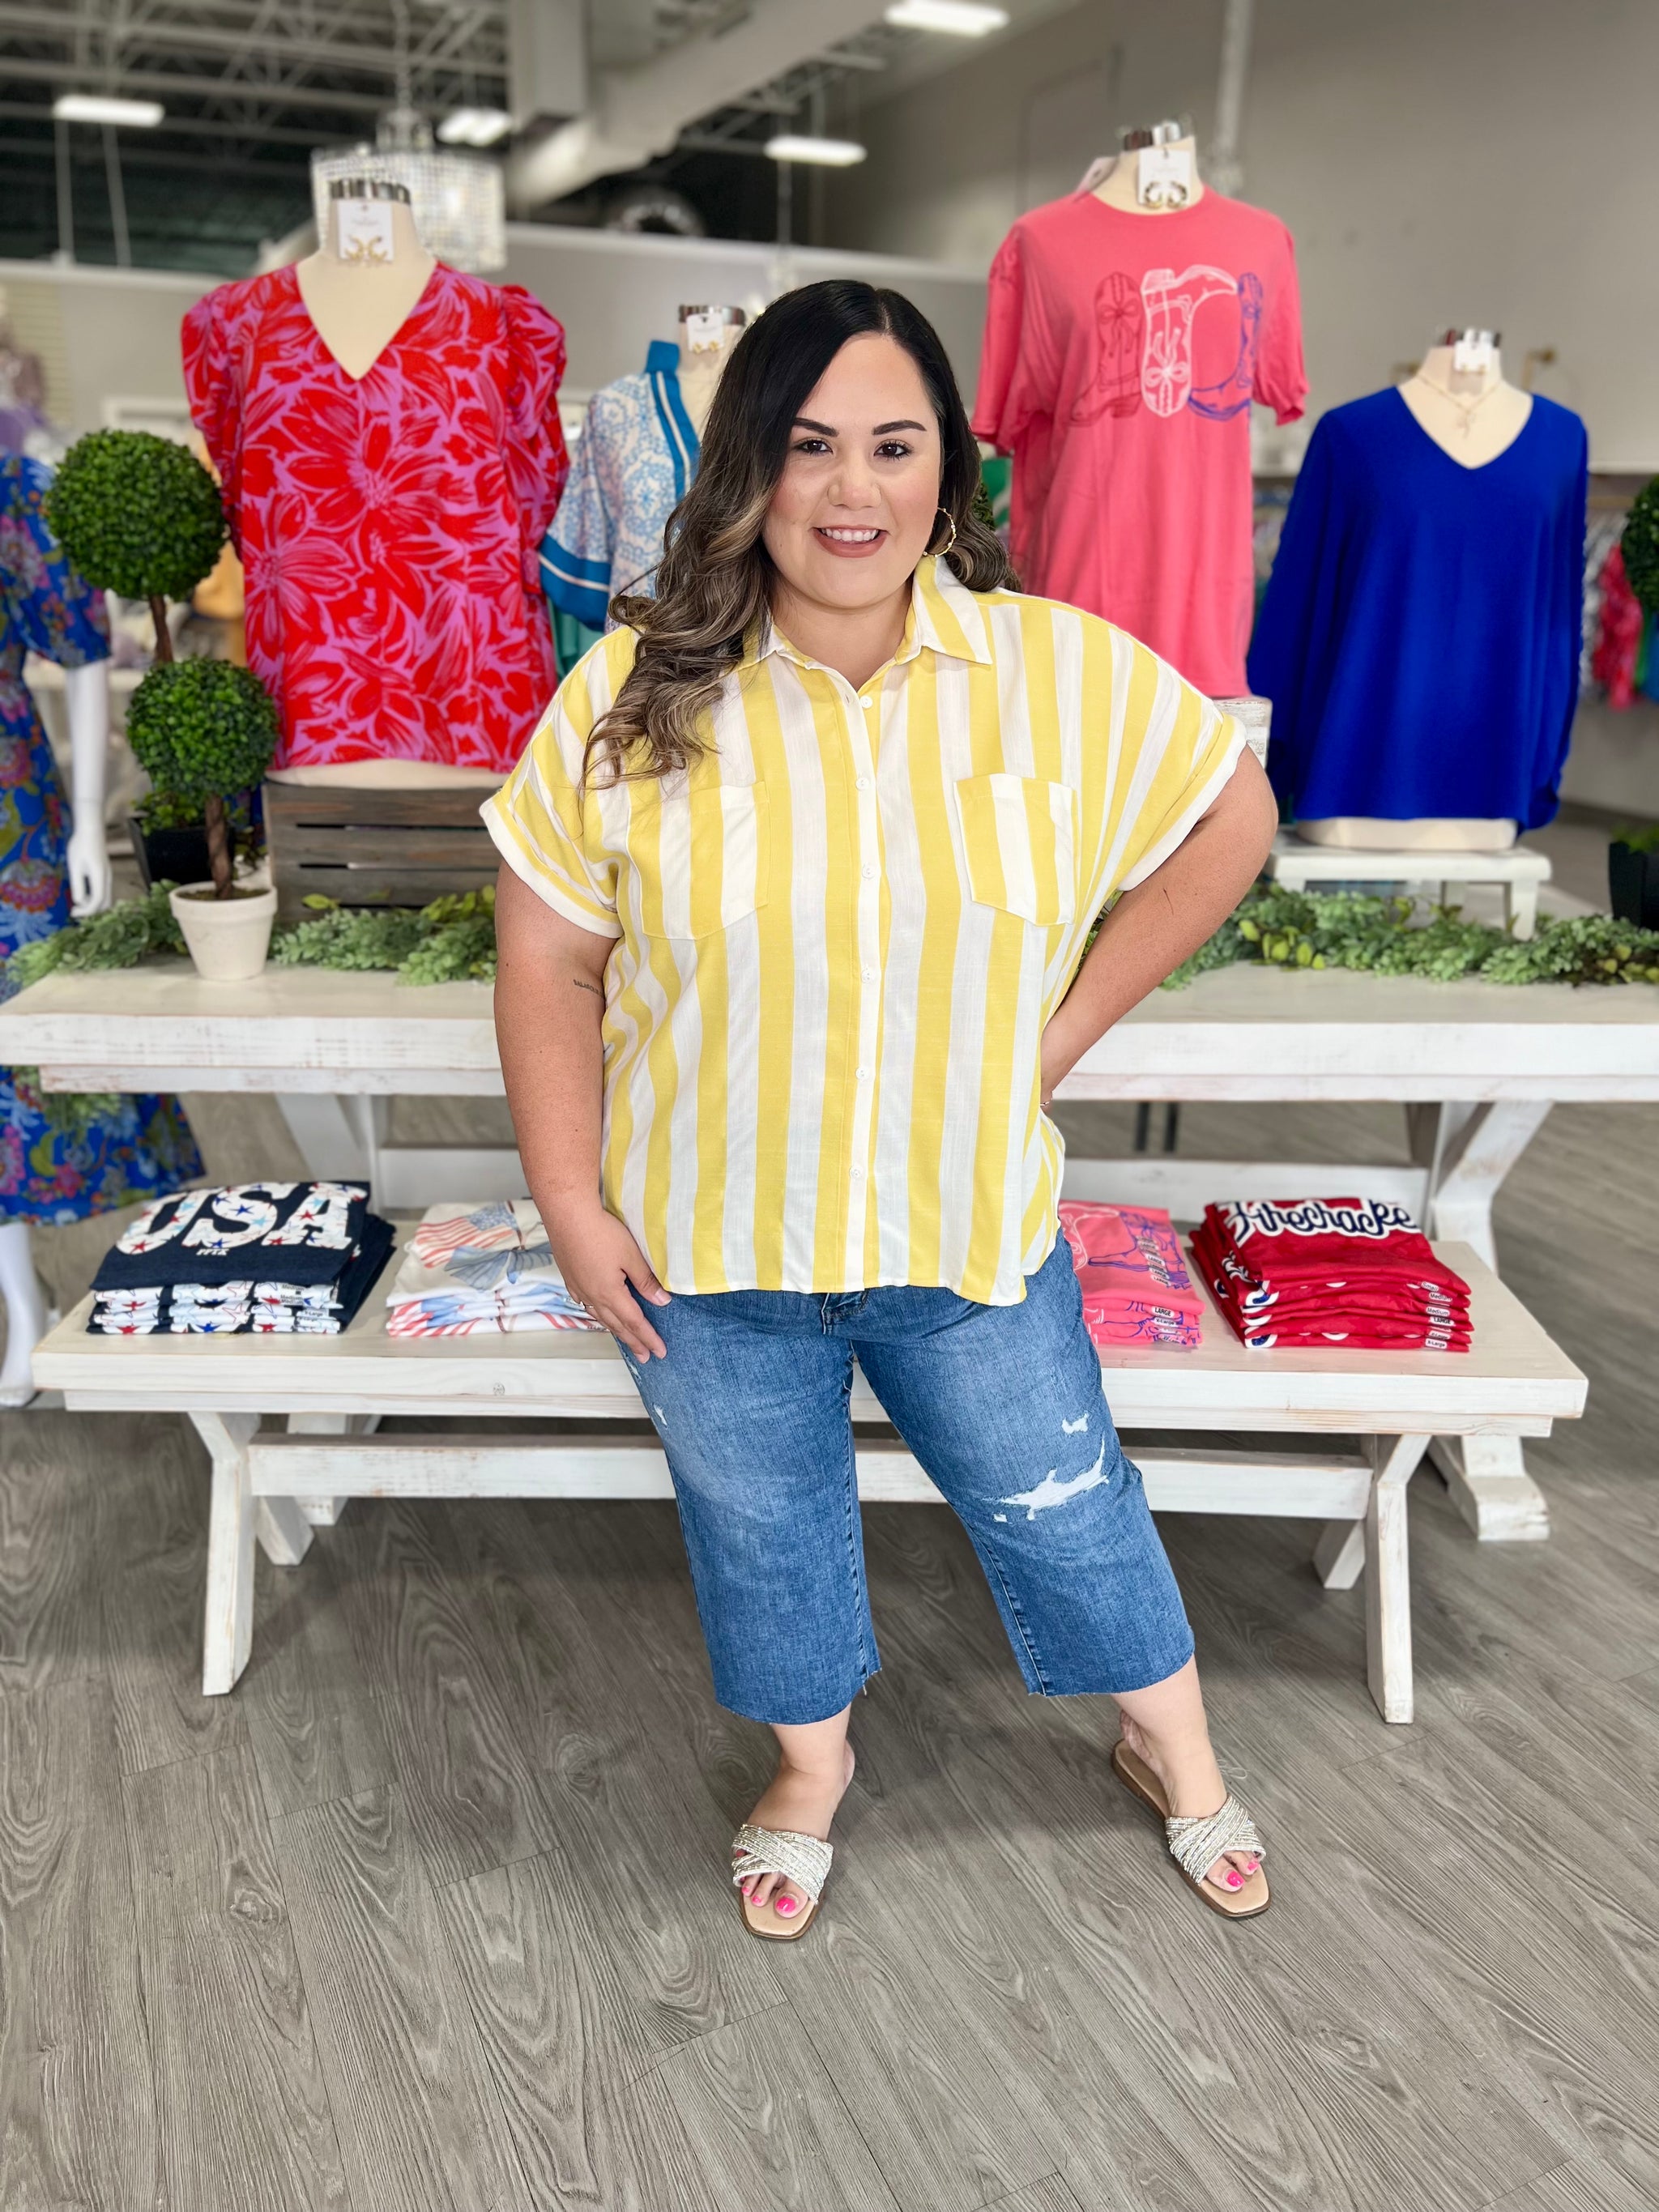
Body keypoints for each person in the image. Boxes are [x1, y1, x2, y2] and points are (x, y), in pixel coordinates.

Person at [486, 280, 1281, 1940]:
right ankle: (810, 1766)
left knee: (1066, 1504)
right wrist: (568, 1199)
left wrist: (1059, 1032)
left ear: (949, 468)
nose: (853, 490)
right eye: (808, 446)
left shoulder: (1057, 674)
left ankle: (1173, 1741)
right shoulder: (635, 693)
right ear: (746, 468)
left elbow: (1231, 819)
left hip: (963, 1222)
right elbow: (549, 952)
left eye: (894, 446)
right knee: (762, 1532)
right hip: (706, 1245)